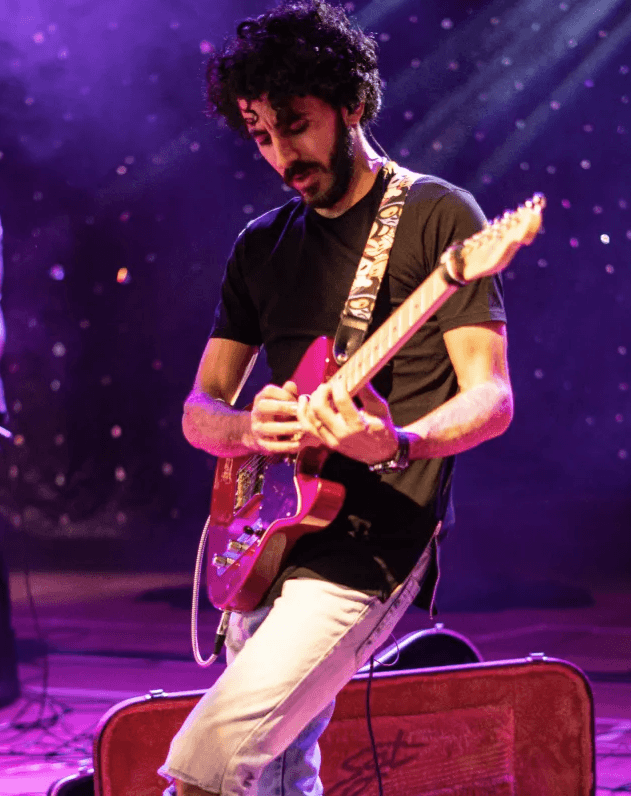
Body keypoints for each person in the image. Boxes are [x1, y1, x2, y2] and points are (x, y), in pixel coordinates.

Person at [161, 2, 513, 794]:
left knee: (209, 758)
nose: (282, 153)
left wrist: (399, 442)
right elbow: (199, 412)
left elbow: (490, 397)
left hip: (373, 541)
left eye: (296, 124)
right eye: (261, 134)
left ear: (351, 103)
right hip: (270, 533)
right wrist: (249, 428)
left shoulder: (436, 216)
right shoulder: (261, 244)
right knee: (275, 777)